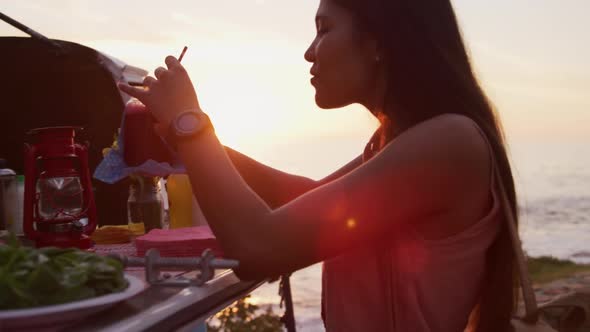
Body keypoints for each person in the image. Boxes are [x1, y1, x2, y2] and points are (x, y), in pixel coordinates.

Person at [119, 0, 519, 331]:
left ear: (380, 41)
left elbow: (258, 247)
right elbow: (304, 198)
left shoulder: (448, 142)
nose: (310, 51)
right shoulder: (399, 141)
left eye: (324, 30)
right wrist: (186, 140)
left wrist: (191, 125)